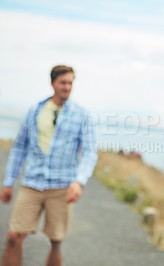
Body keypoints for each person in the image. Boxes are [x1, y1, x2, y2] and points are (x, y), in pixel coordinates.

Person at [0, 65, 98, 266]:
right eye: (63, 82)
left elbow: (89, 152)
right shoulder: (35, 110)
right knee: (13, 238)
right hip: (32, 184)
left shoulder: (82, 115)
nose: (67, 87)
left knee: (56, 242)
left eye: (70, 83)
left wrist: (79, 182)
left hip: (61, 188)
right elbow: (19, 147)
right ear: (52, 83)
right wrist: (9, 182)